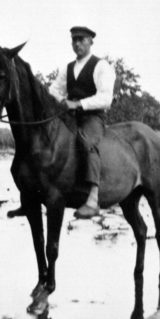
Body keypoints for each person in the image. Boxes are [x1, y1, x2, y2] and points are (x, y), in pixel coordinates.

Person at [49, 26, 115, 218]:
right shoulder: (68, 68)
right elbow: (53, 90)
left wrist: (78, 104)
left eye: (81, 39)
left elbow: (106, 98)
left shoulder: (101, 66)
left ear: (90, 42)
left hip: (93, 117)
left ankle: (93, 199)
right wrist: (63, 102)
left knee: (85, 141)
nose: (77, 43)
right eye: (74, 40)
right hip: (70, 116)